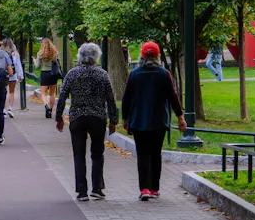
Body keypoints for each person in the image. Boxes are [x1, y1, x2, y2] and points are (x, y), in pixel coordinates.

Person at [122, 41, 186, 201]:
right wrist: (180, 117)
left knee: (143, 154)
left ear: (142, 56)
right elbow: (173, 97)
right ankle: (154, 188)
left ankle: (144, 188)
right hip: (159, 121)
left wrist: (125, 118)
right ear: (157, 56)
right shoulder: (164, 74)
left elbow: (126, 98)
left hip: (139, 120)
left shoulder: (134, 74)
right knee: (156, 154)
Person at [55, 42, 118, 200]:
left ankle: (82, 191)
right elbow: (111, 98)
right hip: (98, 117)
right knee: (97, 154)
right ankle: (97, 188)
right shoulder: (102, 74)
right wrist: (113, 120)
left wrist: (59, 118)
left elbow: (62, 96)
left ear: (80, 56)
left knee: (79, 154)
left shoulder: (72, 74)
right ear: (97, 56)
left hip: (77, 117)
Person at [37, 37, 61, 119]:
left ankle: (46, 106)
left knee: (43, 93)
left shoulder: (40, 53)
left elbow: (37, 66)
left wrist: (34, 61)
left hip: (44, 73)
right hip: (53, 73)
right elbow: (58, 62)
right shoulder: (54, 53)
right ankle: (50, 109)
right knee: (52, 93)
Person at [2, 38, 25, 118]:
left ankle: (4, 110)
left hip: (3, 75)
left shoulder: (1, 53)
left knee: (3, 92)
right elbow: (18, 65)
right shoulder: (15, 53)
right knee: (11, 92)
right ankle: (10, 108)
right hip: (13, 75)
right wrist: (20, 75)